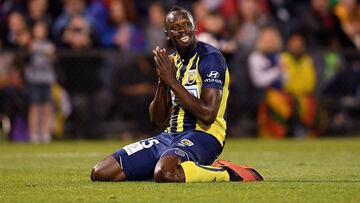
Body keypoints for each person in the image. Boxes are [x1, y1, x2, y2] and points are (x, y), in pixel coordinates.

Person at [90, 6, 263, 183]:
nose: (182, 30)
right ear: (167, 34)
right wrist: (163, 82)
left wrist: (172, 81)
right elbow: (157, 120)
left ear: (195, 27)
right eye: (175, 27)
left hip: (204, 136)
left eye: (186, 24)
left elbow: (208, 114)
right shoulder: (171, 62)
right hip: (169, 136)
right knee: (101, 172)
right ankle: (167, 165)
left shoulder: (210, 57)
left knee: (166, 173)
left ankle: (228, 173)